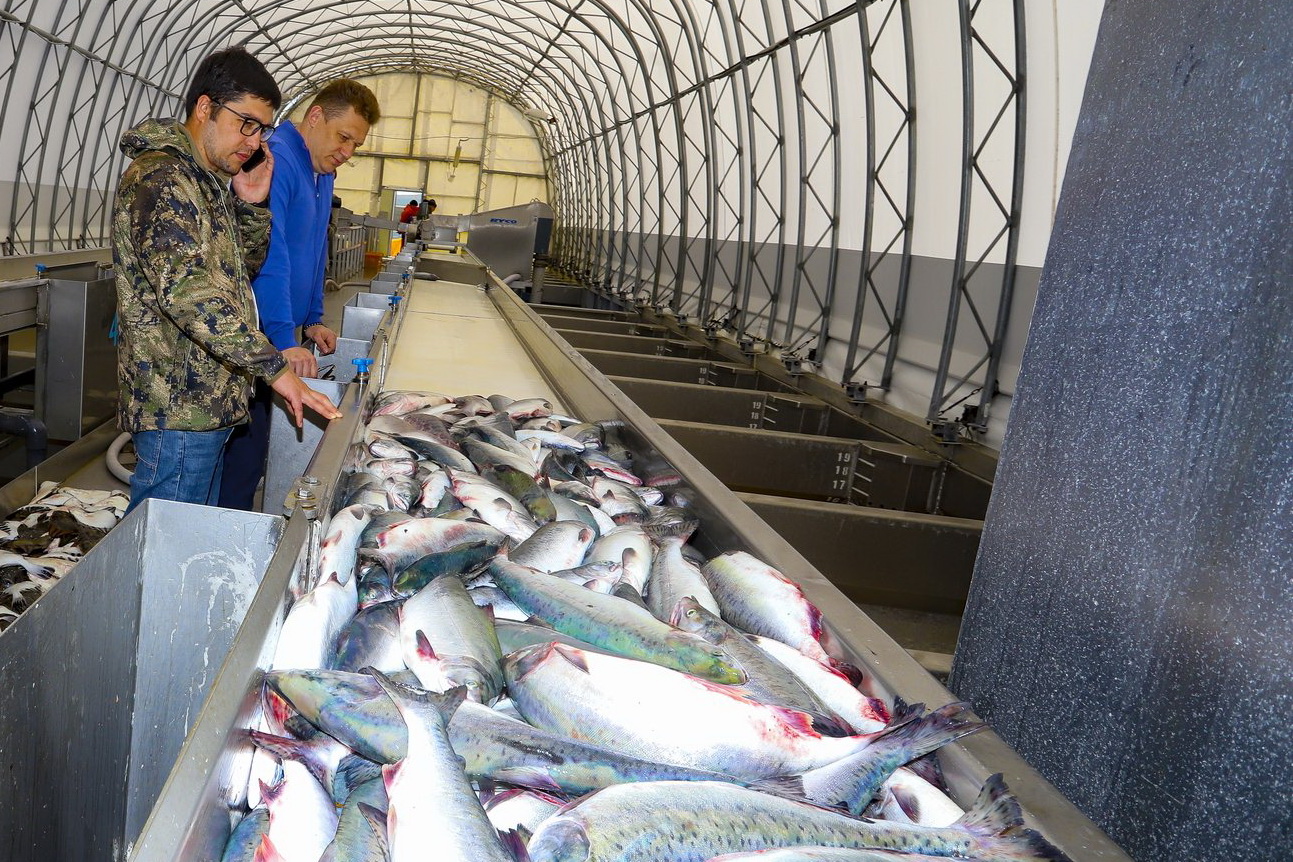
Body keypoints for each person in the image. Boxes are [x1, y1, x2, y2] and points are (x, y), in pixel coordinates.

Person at [112, 47, 341, 515]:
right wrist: (274, 368)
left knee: (191, 537)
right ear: (204, 108)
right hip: (178, 406)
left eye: (263, 129)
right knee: (166, 547)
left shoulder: (208, 181)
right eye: (247, 123)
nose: (255, 142)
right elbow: (190, 294)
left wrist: (253, 207)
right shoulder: (162, 179)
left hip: (210, 400)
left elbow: (239, 275)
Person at [218, 78, 381, 510]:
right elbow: (274, 255)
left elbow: (313, 247)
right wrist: (285, 341)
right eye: (343, 137)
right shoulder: (278, 159)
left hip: (284, 326)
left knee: (258, 442)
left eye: (356, 144)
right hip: (254, 331)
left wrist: (311, 318)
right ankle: (224, 526)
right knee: (243, 444)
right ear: (314, 117)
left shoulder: (321, 172)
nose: (347, 151)